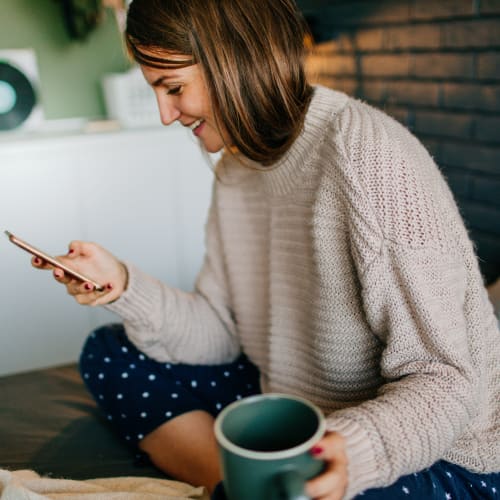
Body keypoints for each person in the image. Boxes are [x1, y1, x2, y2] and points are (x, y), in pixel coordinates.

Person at [33, 0, 500, 498]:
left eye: (173, 88)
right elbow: (221, 331)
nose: (166, 115)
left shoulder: (367, 154)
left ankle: (259, 486)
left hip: (439, 450)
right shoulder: (236, 168)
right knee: (109, 350)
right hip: (296, 406)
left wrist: (353, 451)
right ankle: (250, 486)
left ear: (233, 61)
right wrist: (122, 285)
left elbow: (448, 379)